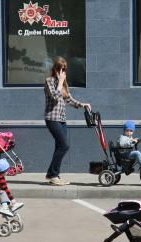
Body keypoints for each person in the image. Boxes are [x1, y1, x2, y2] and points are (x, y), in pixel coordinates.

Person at [44, 56, 91, 186]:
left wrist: (82, 104)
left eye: (64, 69)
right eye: (59, 69)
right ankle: (53, 174)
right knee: (64, 145)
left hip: (62, 119)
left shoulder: (64, 83)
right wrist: (59, 82)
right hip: (52, 118)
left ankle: (53, 175)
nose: (62, 71)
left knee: (60, 146)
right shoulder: (49, 81)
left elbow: (69, 99)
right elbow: (54, 97)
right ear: (55, 69)